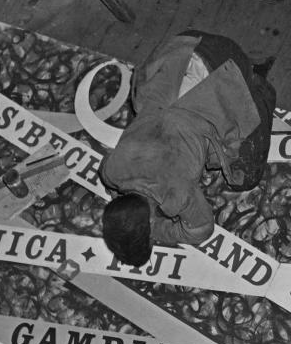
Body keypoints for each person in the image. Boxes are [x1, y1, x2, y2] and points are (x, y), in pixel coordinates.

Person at [100, 30, 276, 266]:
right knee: (142, 111)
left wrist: (160, 231)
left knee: (245, 176)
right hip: (179, 45)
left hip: (225, 60)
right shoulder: (111, 171)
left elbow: (202, 229)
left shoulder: (176, 194)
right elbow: (113, 185)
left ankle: (258, 86)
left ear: (151, 224)